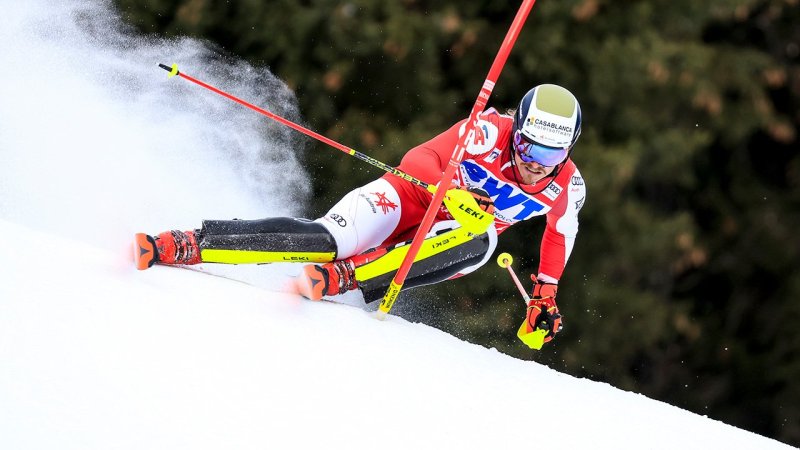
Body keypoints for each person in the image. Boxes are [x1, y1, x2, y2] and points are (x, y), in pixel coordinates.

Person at [134, 83, 585, 347]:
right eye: (529, 145)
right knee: (323, 240)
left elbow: (558, 236)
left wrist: (544, 296)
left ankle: (345, 278)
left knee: (483, 239)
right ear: (518, 129)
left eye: (553, 153)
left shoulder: (568, 185)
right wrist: (451, 195)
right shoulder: (487, 131)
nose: (536, 162)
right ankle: (188, 243)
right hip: (406, 200)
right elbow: (419, 158)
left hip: (444, 244)